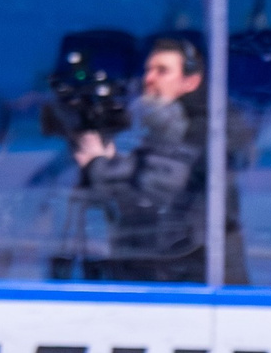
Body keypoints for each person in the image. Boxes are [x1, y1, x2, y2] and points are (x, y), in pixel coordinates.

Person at [68, 36, 248, 285]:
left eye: (162, 71)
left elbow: (162, 181)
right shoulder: (149, 129)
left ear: (190, 81)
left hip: (195, 281)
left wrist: (99, 166)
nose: (149, 78)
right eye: (148, 70)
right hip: (152, 271)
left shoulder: (211, 130)